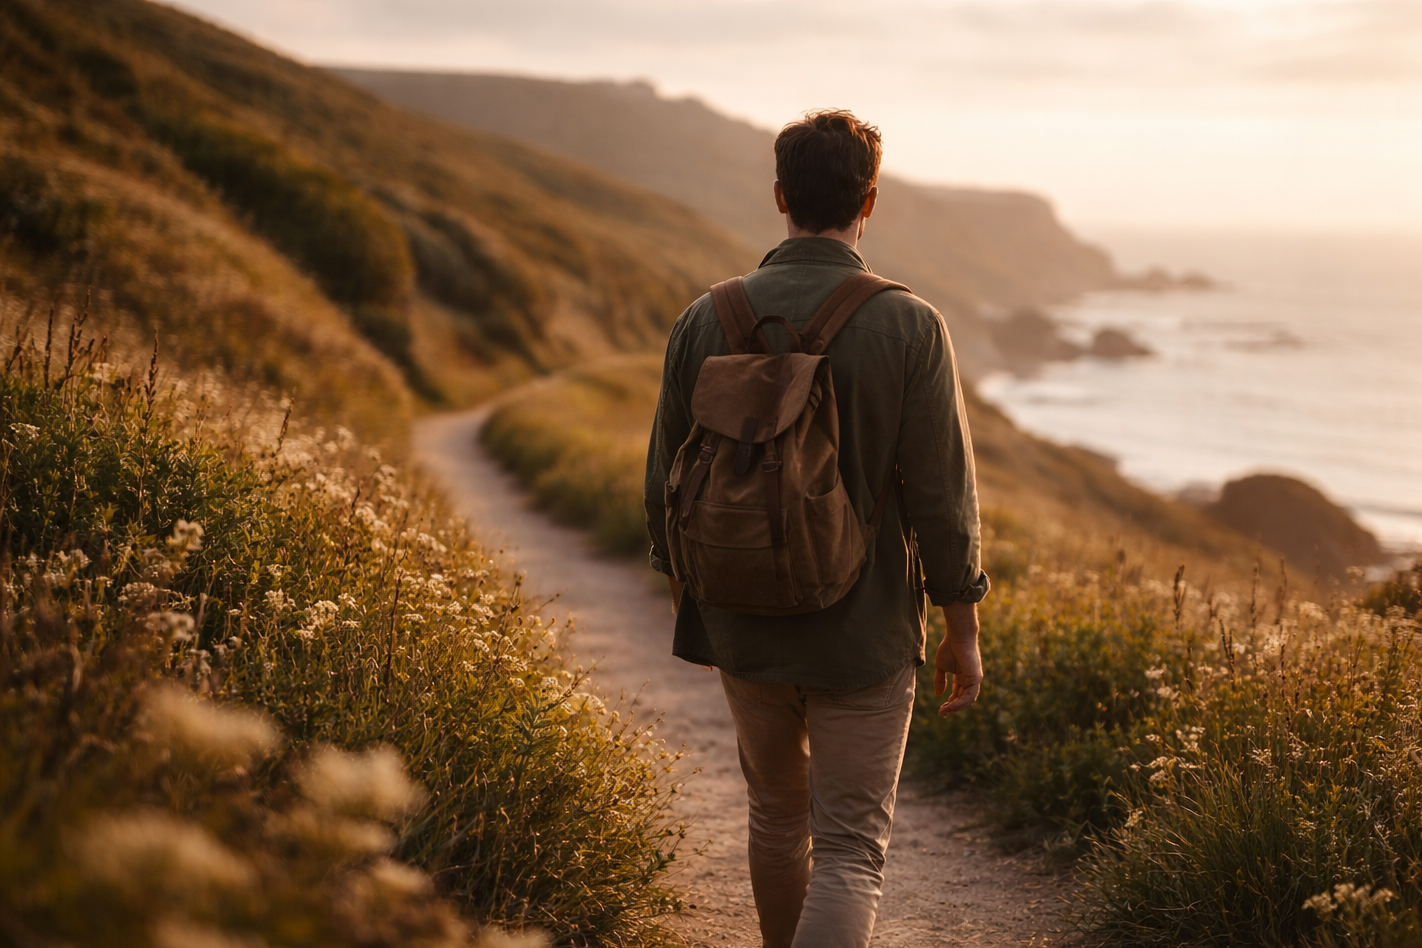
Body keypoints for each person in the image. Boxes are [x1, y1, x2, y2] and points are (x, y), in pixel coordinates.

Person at [643, 109, 989, 948]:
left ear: (780, 196)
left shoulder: (705, 318)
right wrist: (961, 625)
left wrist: (708, 592)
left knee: (774, 818)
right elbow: (942, 495)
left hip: (743, 627)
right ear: (868, 200)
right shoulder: (909, 324)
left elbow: (663, 483)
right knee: (847, 850)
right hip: (861, 633)